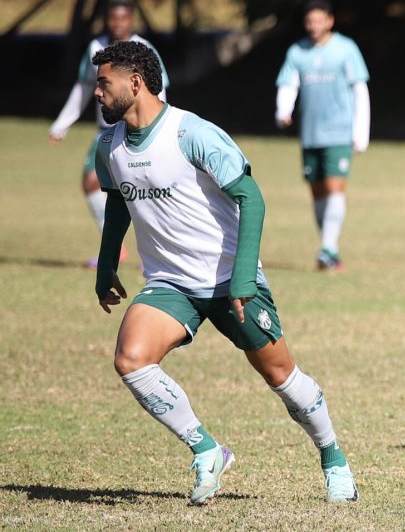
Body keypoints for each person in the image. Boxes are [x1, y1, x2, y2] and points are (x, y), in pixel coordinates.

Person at [91, 41, 358, 504]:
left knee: (281, 377)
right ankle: (207, 450)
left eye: (103, 83)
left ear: (134, 83)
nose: (97, 93)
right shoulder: (108, 147)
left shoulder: (191, 133)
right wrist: (107, 264)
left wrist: (242, 278)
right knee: (131, 360)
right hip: (169, 284)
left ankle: (333, 457)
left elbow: (251, 198)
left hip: (230, 280)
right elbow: (118, 204)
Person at [49, 0, 169, 267]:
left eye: (123, 18)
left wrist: (157, 125)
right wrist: (62, 123)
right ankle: (113, 248)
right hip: (106, 131)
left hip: (139, 130)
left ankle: (158, 254)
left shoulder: (143, 49)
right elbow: (84, 88)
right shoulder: (96, 48)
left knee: (149, 188)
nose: (118, 24)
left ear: (132, 19)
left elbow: (159, 89)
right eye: (113, 19)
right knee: (91, 182)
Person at [275, 0, 371, 271]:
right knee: (317, 192)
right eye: (310, 21)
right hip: (310, 134)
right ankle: (330, 248)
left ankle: (328, 248)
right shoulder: (298, 52)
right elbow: (288, 84)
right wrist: (283, 110)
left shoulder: (346, 49)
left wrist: (360, 131)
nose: (314, 26)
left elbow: (359, 90)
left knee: (334, 187)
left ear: (330, 21)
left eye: (319, 21)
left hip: (339, 131)